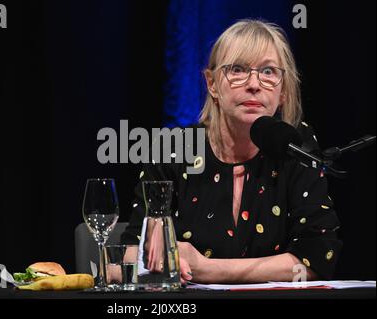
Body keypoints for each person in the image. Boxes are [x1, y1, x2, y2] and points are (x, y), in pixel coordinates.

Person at [120, 19, 342, 284]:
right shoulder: (174, 148)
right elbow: (133, 251)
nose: (254, 84)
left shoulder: (297, 145)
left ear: (283, 91)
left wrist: (206, 268)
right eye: (237, 69)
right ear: (212, 84)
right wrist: (157, 259)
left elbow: (317, 258)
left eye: (269, 72)